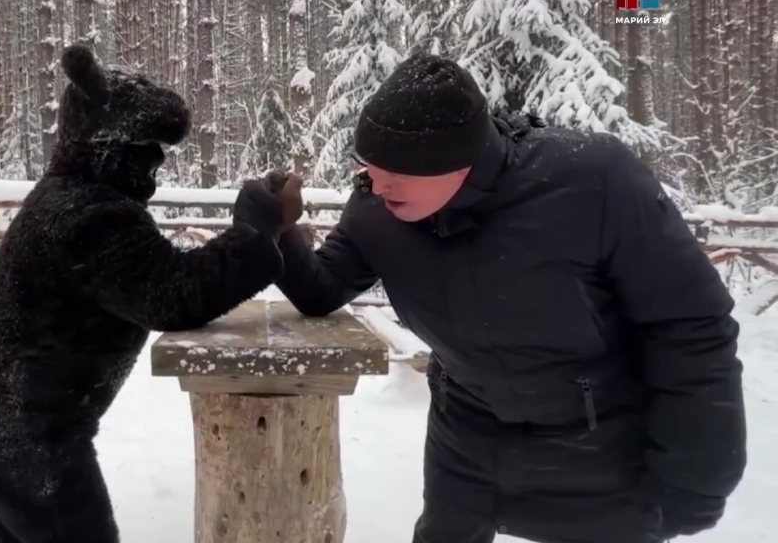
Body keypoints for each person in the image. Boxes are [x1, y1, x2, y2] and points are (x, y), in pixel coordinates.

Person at [236, 52, 747, 543]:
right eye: (368, 164)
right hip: (467, 437)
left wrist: (697, 474)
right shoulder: (378, 209)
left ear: (459, 162)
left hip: (600, 446)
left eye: (397, 168)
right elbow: (322, 288)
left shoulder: (590, 182)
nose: (375, 181)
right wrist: (275, 229)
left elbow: (689, 324)